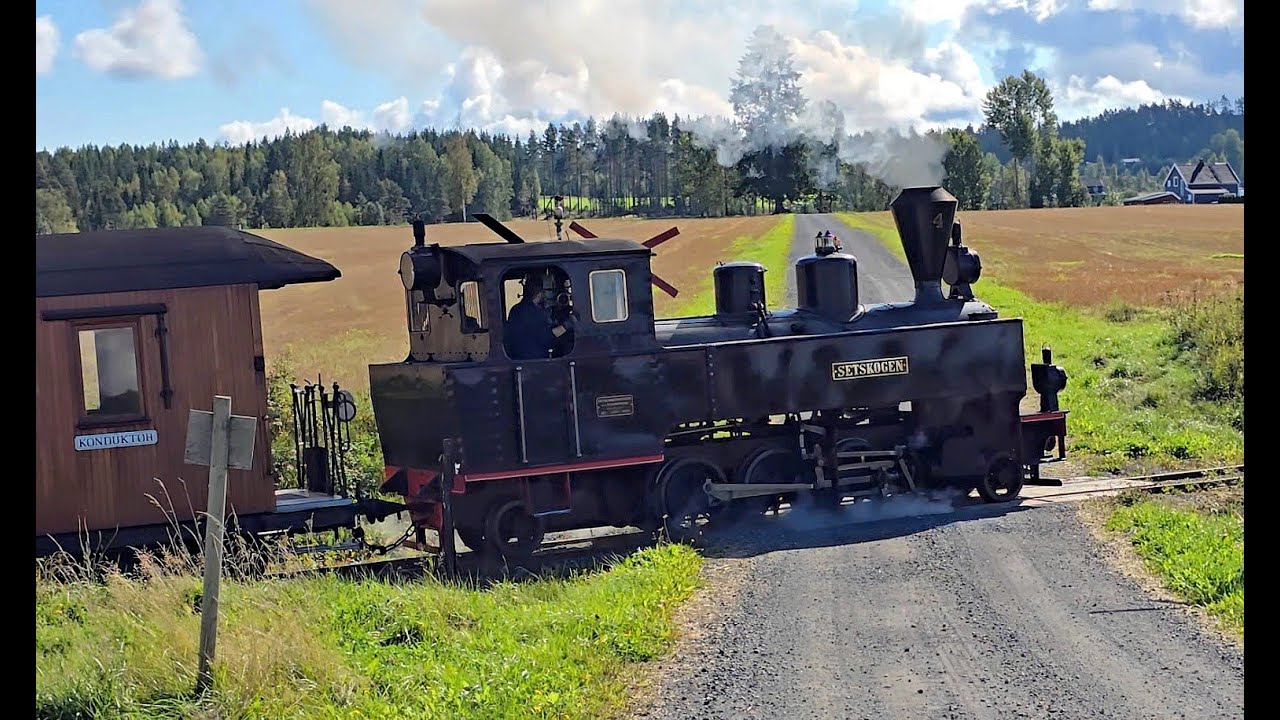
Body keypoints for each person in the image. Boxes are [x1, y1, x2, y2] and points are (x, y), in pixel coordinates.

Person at [506, 275, 571, 360]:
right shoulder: (535, 313)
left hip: (517, 357)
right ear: (539, 294)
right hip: (533, 360)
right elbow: (549, 337)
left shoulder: (515, 309)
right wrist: (568, 324)